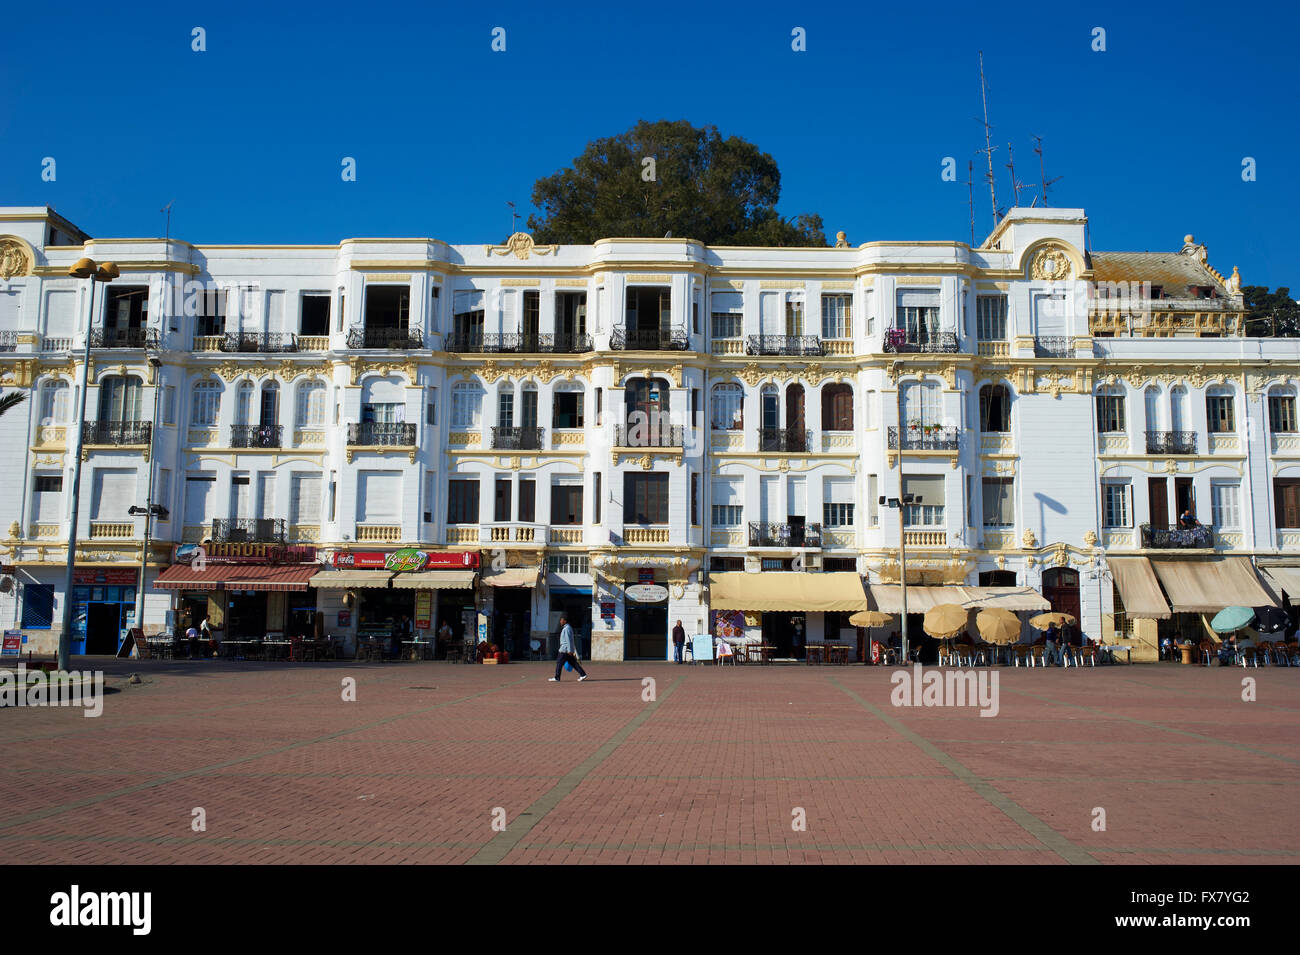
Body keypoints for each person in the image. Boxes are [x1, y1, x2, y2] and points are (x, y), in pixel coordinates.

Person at [549, 615, 588, 682]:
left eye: (561, 620)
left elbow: (568, 640)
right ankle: (583, 674)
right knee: (574, 663)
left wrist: (570, 650)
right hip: (567, 650)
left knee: (559, 663)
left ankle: (557, 677)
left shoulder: (566, 629)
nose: (560, 621)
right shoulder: (567, 628)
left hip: (564, 650)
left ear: (565, 621)